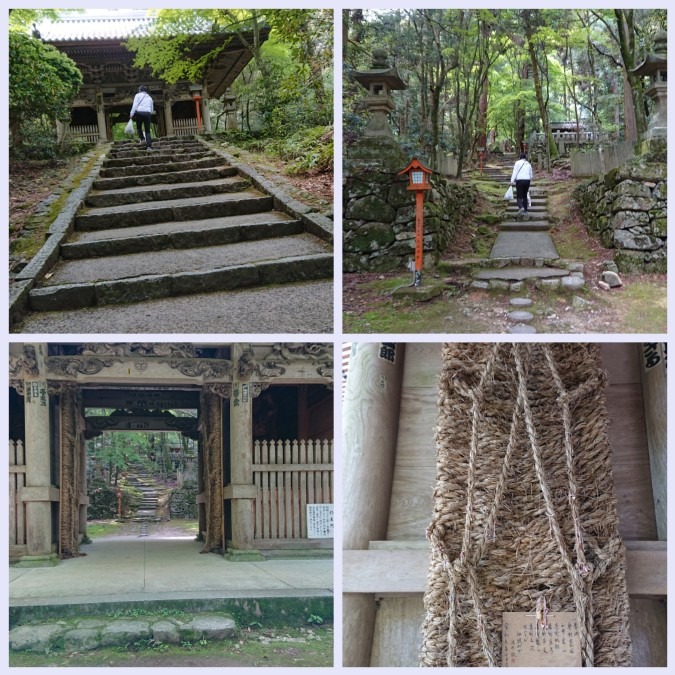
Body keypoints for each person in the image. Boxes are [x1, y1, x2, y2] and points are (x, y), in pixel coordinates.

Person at [129, 85, 154, 150]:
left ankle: (142, 139)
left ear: (140, 90)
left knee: (139, 127)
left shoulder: (137, 95)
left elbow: (135, 105)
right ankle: (149, 146)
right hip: (147, 113)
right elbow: (152, 109)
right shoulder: (150, 98)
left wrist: (131, 113)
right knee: (147, 131)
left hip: (139, 113)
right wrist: (149, 113)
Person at [510, 152, 532, 220]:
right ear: (525, 158)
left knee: (519, 195)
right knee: (525, 195)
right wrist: (529, 180)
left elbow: (515, 172)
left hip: (519, 180)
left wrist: (511, 181)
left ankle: (521, 207)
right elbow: (531, 175)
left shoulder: (517, 163)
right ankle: (525, 210)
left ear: (520, 157)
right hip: (527, 180)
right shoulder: (528, 164)